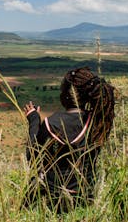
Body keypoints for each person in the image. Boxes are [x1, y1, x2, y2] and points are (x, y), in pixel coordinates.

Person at [22, 67, 115, 213]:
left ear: (66, 95)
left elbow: (32, 157)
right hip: (86, 197)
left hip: (54, 199)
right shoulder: (97, 122)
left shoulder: (52, 124)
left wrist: (34, 120)